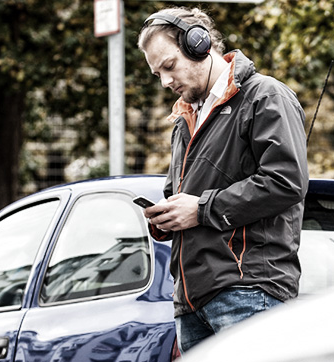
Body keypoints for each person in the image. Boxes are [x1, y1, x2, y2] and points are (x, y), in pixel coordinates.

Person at [137, 7, 309, 353]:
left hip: (248, 292)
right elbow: (180, 197)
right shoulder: (184, 120)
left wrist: (201, 210)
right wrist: (167, 218)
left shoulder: (265, 96)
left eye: (169, 66)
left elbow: (286, 181)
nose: (166, 82)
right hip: (190, 305)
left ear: (198, 43)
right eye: (157, 74)